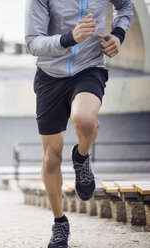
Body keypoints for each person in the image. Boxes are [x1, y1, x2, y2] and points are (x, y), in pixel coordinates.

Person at [25, 0, 133, 247]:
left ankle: (81, 156)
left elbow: (125, 6)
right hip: (50, 76)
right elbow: (33, 42)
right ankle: (60, 222)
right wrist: (68, 38)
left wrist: (118, 35)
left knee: (84, 119)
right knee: (51, 158)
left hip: (89, 68)